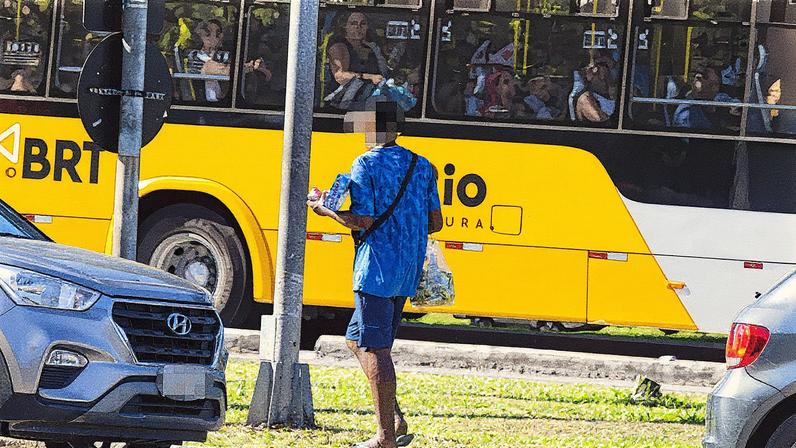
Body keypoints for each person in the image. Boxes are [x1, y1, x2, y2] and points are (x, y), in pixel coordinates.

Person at [307, 100, 443, 448]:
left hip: (376, 270)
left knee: (377, 349)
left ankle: (384, 436)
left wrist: (325, 210)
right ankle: (394, 418)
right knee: (357, 339)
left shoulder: (365, 164)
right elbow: (435, 222)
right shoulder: (423, 165)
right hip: (407, 270)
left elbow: (362, 220)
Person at [327, 12, 388, 90]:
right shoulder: (339, 47)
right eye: (353, 23)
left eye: (363, 23)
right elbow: (339, 76)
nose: (358, 27)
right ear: (345, 26)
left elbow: (384, 72)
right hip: (345, 99)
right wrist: (369, 77)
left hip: (372, 95)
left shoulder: (372, 48)